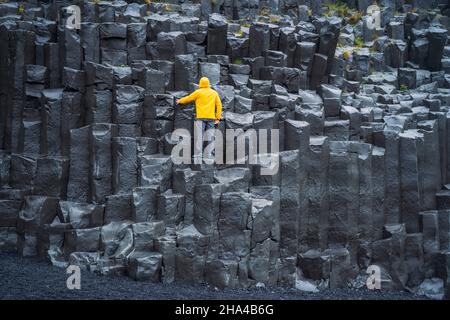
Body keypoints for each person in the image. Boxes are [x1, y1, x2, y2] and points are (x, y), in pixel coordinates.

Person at [176, 77, 222, 163]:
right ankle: (209, 154)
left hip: (200, 117)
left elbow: (188, 98)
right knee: (210, 136)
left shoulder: (198, 92)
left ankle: (198, 154)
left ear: (200, 84)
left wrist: (180, 101)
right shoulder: (214, 93)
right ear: (208, 83)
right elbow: (219, 105)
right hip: (211, 118)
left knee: (199, 136)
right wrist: (218, 118)